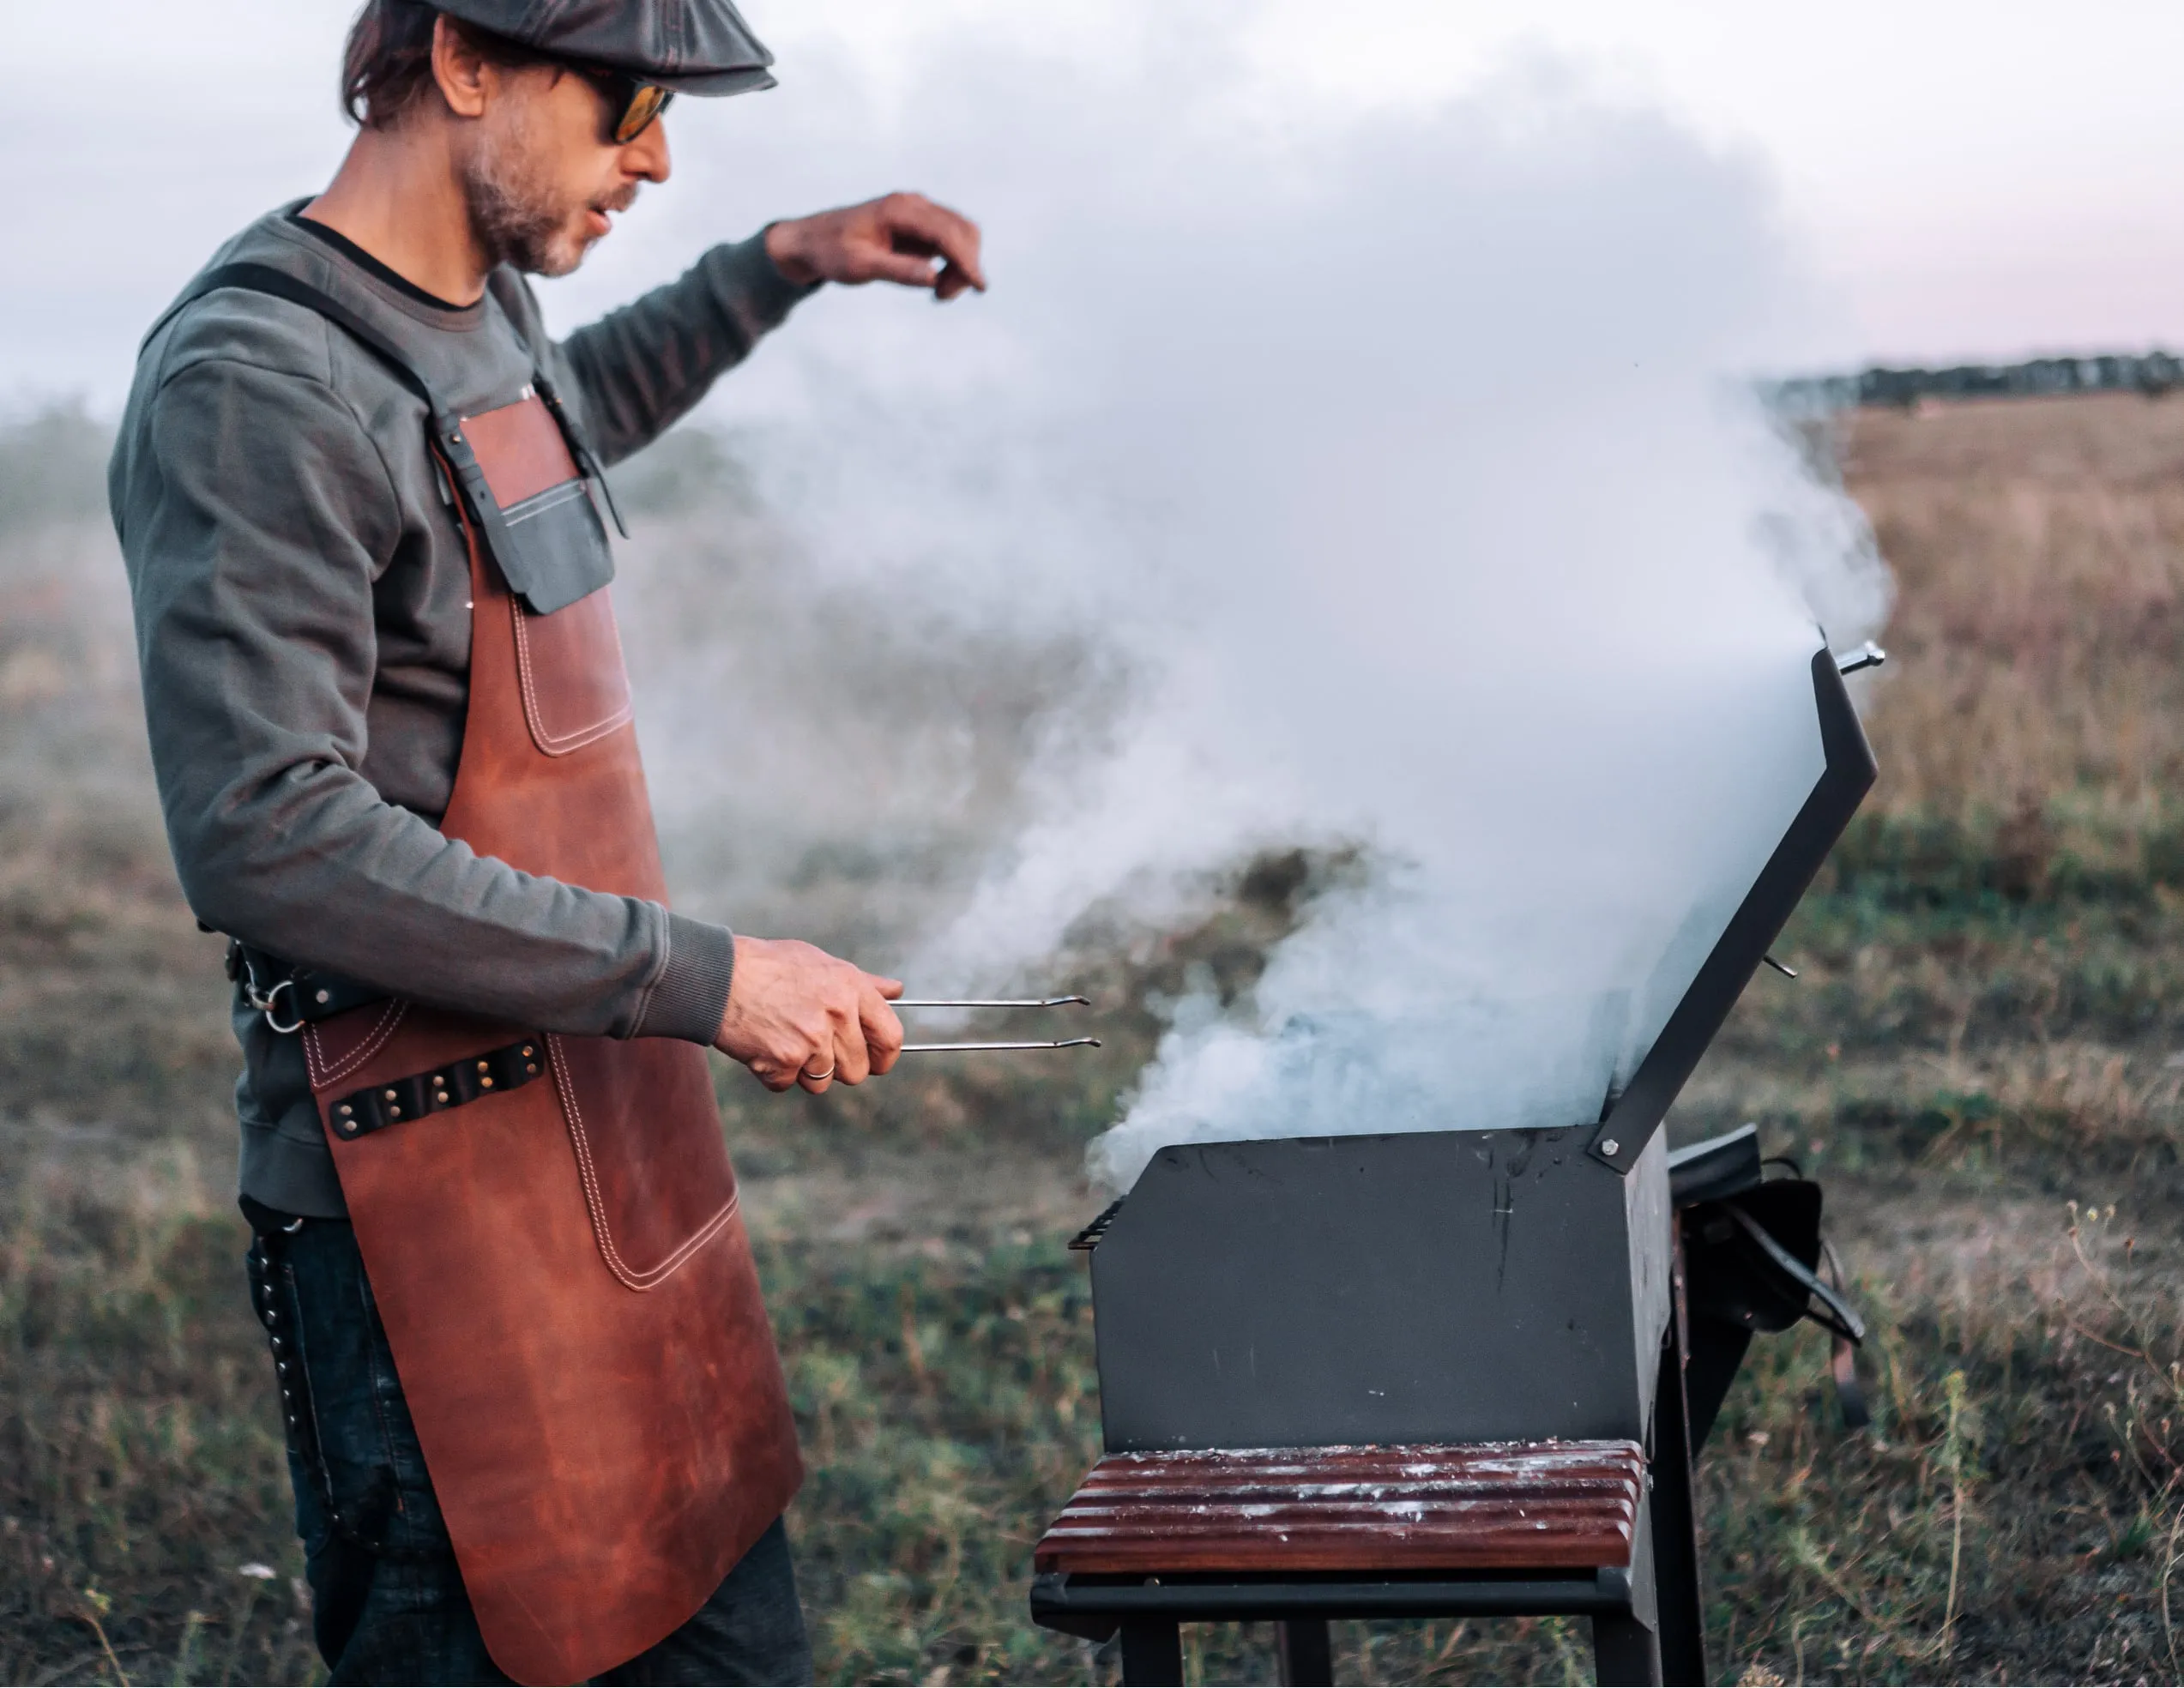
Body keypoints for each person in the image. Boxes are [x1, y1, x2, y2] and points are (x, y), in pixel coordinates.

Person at [108, 2, 986, 1680]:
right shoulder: (253, 383)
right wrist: (707, 976)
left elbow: (544, 432)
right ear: (464, 63)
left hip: (612, 1126)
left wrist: (777, 264)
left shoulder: (479, 301)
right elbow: (264, 834)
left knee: (721, 1645)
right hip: (422, 1200)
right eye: (628, 107)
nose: (652, 158)